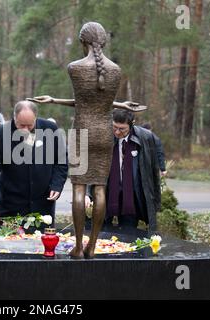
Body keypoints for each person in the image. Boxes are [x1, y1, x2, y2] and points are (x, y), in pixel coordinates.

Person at [28, 22, 146, 258]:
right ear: (103, 42)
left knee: (79, 188)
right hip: (104, 131)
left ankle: (78, 247)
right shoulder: (115, 70)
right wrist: (121, 104)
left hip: (82, 131)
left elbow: (83, 103)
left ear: (84, 42)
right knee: (100, 188)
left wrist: (52, 101)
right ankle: (93, 246)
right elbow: (100, 103)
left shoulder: (75, 68)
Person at [0, 100, 68, 221]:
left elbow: (61, 162)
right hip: (11, 206)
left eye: (30, 125)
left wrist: (57, 185)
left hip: (43, 206)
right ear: (14, 118)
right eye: (21, 125)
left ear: (36, 118)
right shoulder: (1, 133)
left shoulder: (50, 129)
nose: (26, 130)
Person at [99, 108, 161, 230]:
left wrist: (156, 202)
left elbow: (153, 170)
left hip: (131, 195)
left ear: (131, 124)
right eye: (114, 127)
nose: (117, 132)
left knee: (128, 233)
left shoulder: (146, 137)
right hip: (108, 193)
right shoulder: (104, 136)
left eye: (122, 129)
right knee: (102, 232)